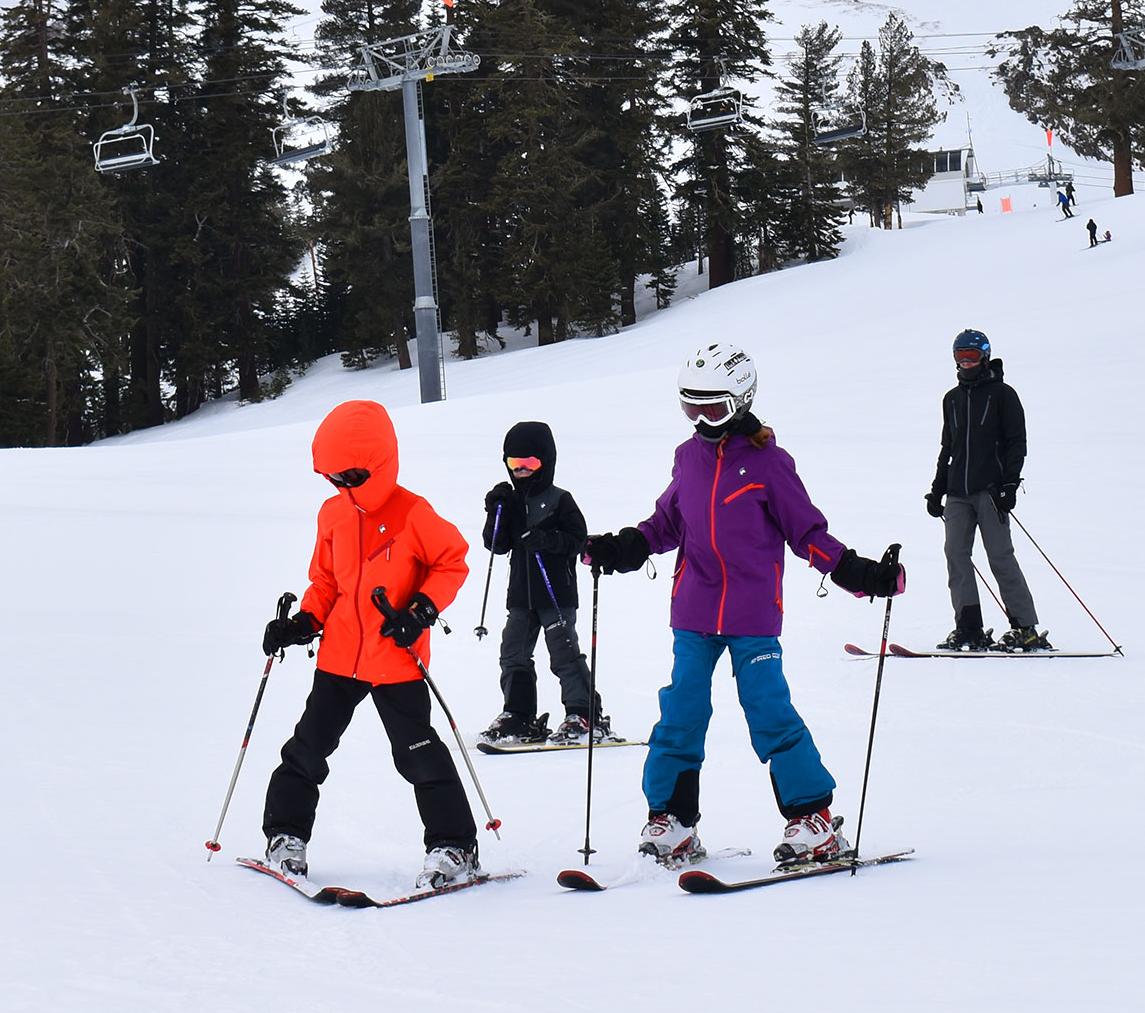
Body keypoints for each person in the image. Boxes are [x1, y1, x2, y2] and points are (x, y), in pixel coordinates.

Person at [586, 342, 905, 869]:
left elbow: (807, 533)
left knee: (768, 710)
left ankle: (813, 819)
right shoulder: (688, 457)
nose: (701, 419)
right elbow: (667, 523)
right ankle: (673, 820)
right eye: (691, 407)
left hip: (752, 615)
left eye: (712, 408)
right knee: (681, 712)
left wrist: (859, 573)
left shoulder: (768, 464)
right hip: (693, 611)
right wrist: (622, 548)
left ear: (740, 400)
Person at [260, 398, 483, 891]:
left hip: (396, 658)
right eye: (334, 478)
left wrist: (421, 611)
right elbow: (324, 581)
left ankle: (454, 846)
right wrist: (303, 623)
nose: (342, 487)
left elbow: (453, 561)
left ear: (379, 464)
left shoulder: (413, 513)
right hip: (339, 657)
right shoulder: (333, 514)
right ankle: (284, 836)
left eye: (352, 476)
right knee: (307, 750)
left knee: (419, 755)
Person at [479, 419, 608, 745]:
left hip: (556, 593)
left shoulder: (559, 499)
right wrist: (495, 510)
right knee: (513, 652)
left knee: (563, 652)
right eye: (514, 464)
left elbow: (577, 540)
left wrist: (545, 539)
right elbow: (495, 544)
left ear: (546, 462)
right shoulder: (510, 501)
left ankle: (583, 714)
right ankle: (518, 715)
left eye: (529, 464)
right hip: (522, 595)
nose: (521, 471)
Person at [925, 327, 1048, 652]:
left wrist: (1009, 483)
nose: (966, 363)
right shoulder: (951, 399)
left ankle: (1025, 628)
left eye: (971, 356)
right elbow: (947, 448)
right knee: (956, 555)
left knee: (999, 557)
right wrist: (937, 491)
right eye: (960, 357)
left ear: (985, 357)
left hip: (990, 492)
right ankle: (969, 628)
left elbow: (1016, 443)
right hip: (957, 494)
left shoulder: (1003, 394)